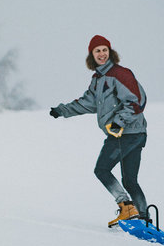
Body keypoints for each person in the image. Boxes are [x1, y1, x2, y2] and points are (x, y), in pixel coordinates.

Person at [50, 35, 149, 227]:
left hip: (126, 133)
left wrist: (119, 122)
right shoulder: (98, 79)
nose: (102, 54)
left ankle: (127, 207)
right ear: (92, 55)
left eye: (104, 50)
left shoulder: (120, 74)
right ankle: (143, 220)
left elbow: (137, 100)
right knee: (130, 181)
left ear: (110, 52)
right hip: (131, 134)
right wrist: (62, 110)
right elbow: (87, 103)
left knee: (101, 169)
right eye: (97, 51)